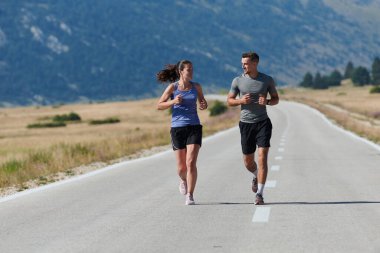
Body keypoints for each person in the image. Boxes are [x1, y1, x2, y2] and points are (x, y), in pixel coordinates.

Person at [227, 51, 279, 205]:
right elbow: (229, 100)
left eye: (246, 63)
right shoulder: (237, 81)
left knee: (262, 157)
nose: (243, 65)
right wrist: (240, 100)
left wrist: (268, 102)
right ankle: (256, 175)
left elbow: (276, 99)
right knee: (248, 162)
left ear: (255, 63)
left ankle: (260, 194)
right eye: (242, 63)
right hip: (246, 124)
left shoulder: (267, 80)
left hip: (263, 123)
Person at [156, 60, 208, 205]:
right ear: (181, 72)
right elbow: (159, 105)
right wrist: (172, 102)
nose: (191, 72)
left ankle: (190, 195)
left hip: (194, 127)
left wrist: (203, 104)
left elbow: (202, 102)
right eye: (188, 70)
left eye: (192, 69)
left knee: (191, 162)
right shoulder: (172, 88)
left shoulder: (196, 87)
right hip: (177, 128)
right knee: (181, 168)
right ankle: (183, 179)